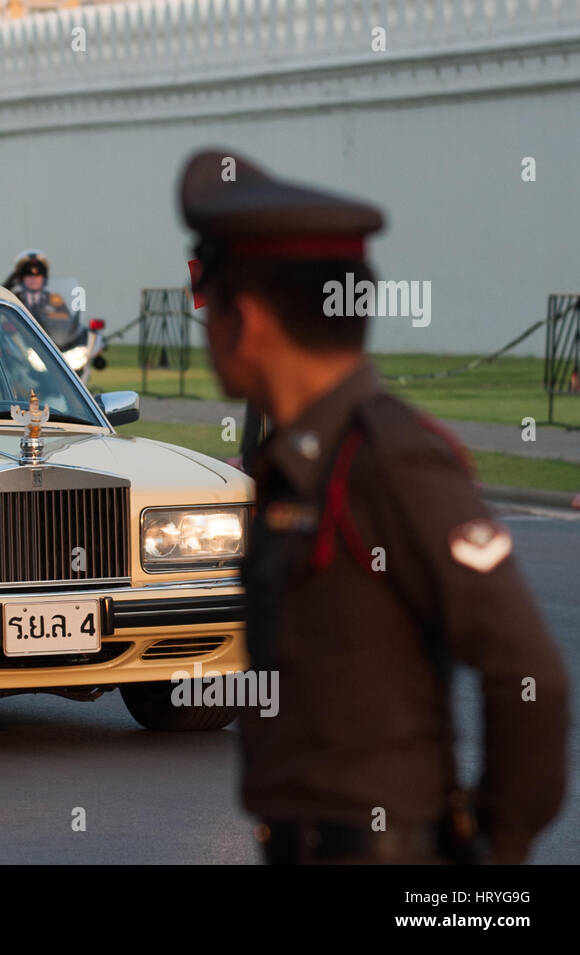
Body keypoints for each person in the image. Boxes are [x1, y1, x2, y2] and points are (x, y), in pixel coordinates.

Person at [178, 149, 568, 865]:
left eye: (212, 308)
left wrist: (490, 855)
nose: (205, 332)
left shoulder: (392, 460)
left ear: (249, 319)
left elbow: (529, 671)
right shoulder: (297, 460)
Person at [4, 250, 73, 341]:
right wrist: (7, 285)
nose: (33, 278)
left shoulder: (55, 299)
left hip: (51, 344)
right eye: (28, 274)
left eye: (38, 274)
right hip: (20, 345)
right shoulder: (13, 299)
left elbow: (68, 326)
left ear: (44, 278)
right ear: (20, 278)